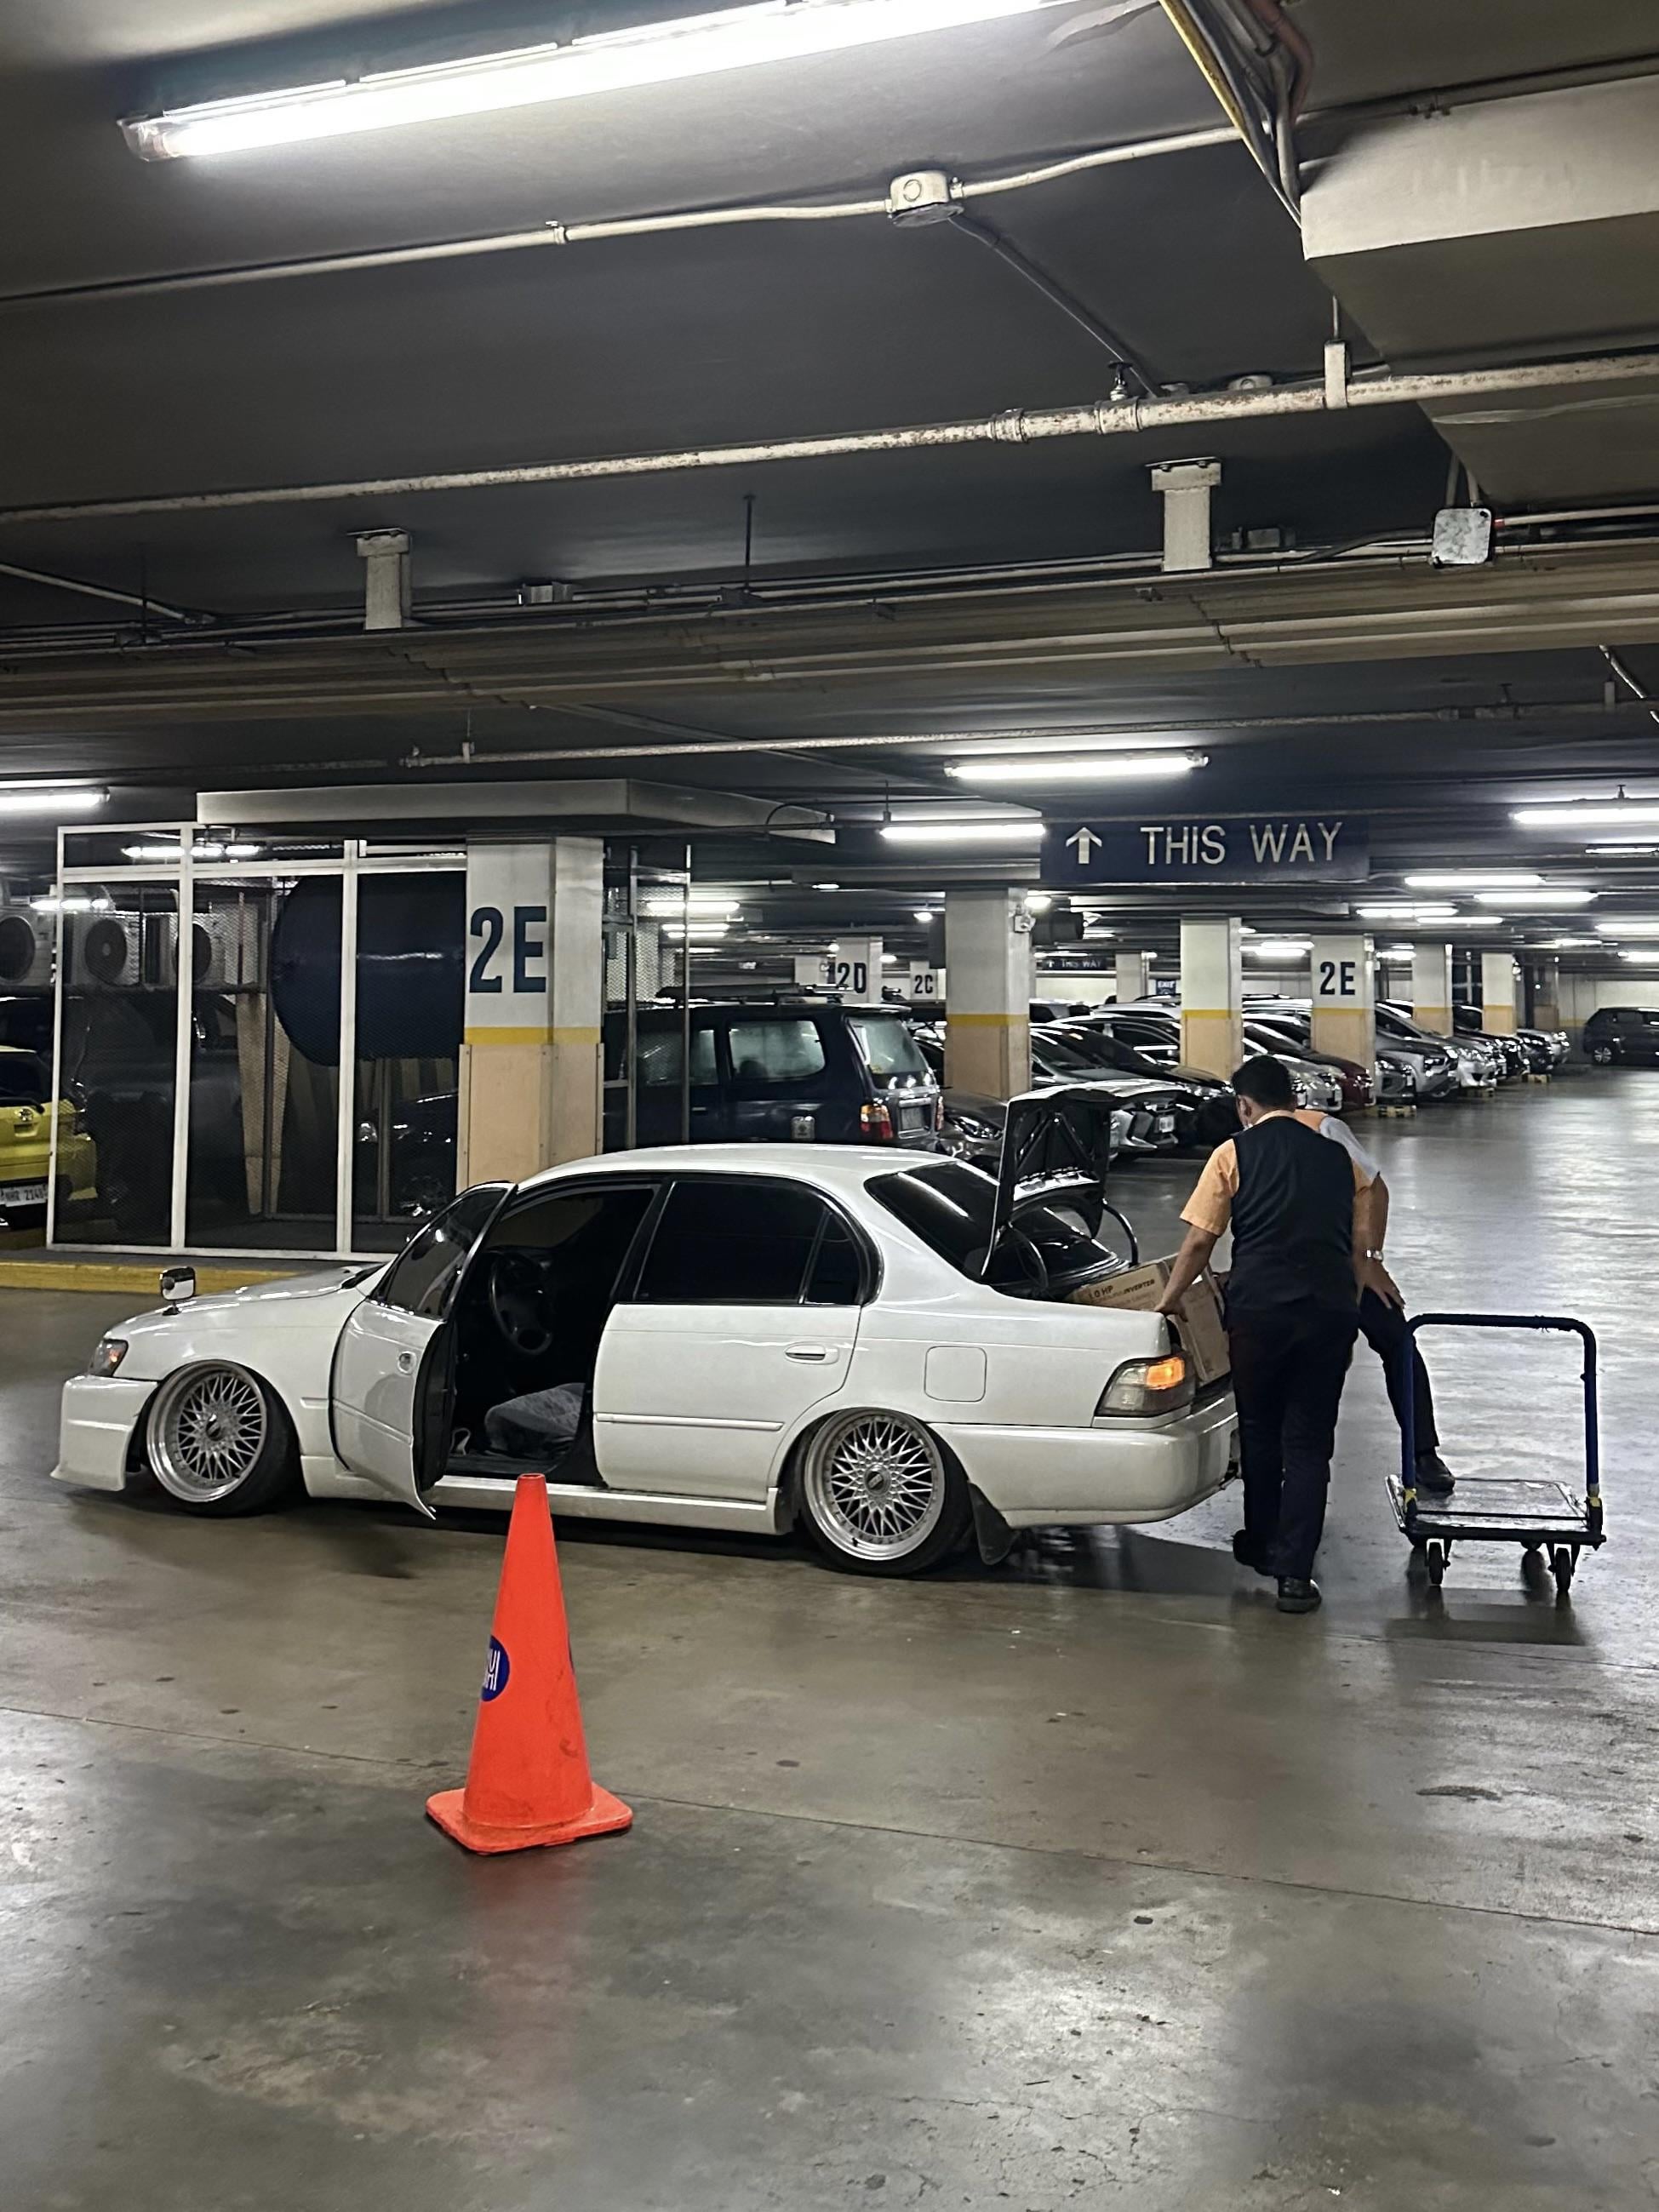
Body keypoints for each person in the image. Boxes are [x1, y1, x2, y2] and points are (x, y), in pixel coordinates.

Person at [1158, 1055, 1386, 1615]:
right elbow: (1361, 1236)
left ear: (1244, 1105)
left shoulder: (1232, 1153)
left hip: (1259, 1314)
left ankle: (1261, 1542)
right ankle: (1295, 1574)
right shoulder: (1335, 1155)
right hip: (1328, 1312)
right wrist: (1353, 1291)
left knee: (1259, 1431)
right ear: (1292, 1099)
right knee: (1309, 1441)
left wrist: (1168, 1300)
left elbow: (1200, 1241)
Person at [1290, 1104, 1456, 1496]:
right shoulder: (1243, 1143)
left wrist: (1370, 1260)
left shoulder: (1323, 1129)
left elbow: (1374, 1188)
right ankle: (1297, 1467)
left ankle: (1423, 1452)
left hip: (1347, 1263)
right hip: (1290, 1271)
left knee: (1398, 1341)